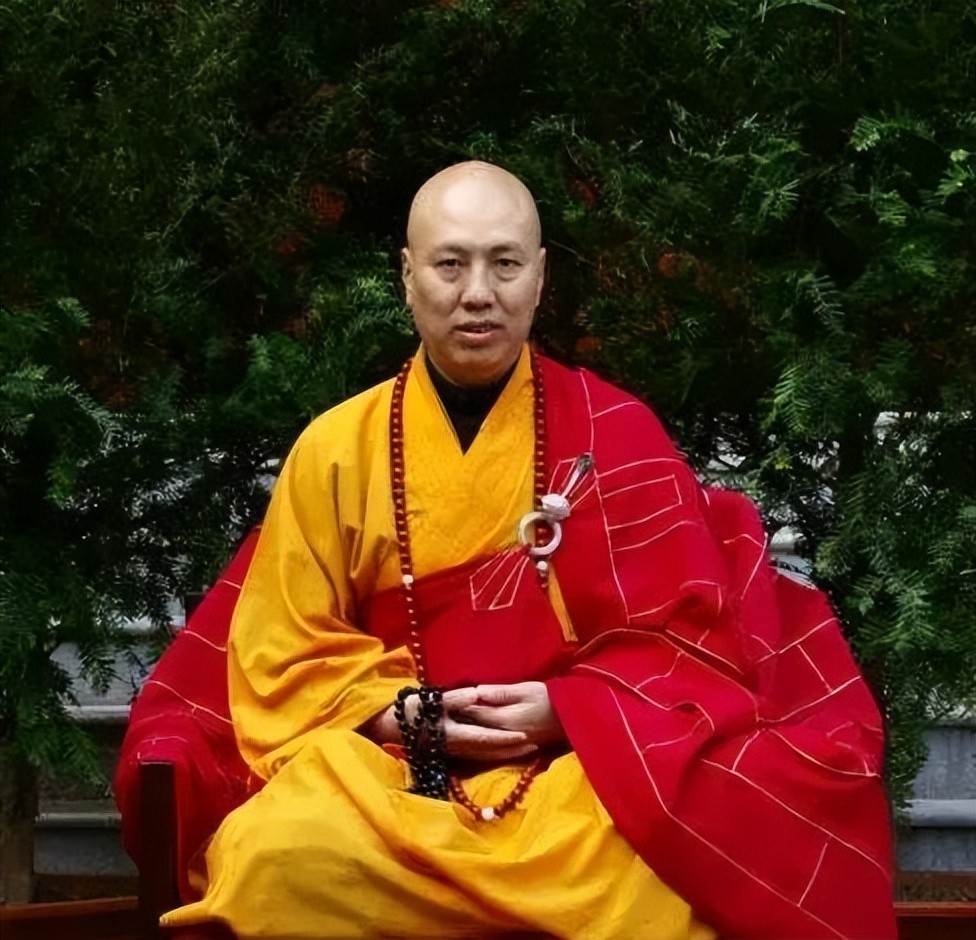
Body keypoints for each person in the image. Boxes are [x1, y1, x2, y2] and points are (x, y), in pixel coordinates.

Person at [151, 162, 896, 939]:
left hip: (574, 770)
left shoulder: (619, 435)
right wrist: (395, 714)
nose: (478, 293)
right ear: (408, 277)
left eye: (504, 264)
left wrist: (569, 710)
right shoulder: (334, 449)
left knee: (661, 868)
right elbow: (283, 651)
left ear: (539, 279)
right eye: (450, 264)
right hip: (393, 772)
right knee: (279, 858)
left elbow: (688, 645)